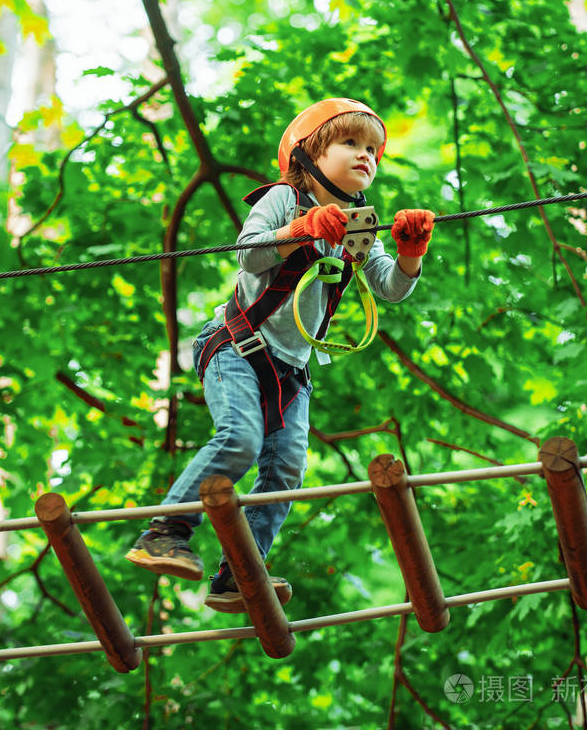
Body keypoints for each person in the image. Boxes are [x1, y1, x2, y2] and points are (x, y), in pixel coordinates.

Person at [126, 97, 434, 612]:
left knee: (286, 470)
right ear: (309, 156)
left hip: (291, 370)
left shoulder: (360, 223)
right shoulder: (283, 200)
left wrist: (408, 254)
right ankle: (165, 531)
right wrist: (301, 231)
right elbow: (248, 253)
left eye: (373, 150)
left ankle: (237, 575)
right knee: (240, 439)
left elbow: (388, 287)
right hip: (237, 348)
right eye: (351, 143)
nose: (366, 156)